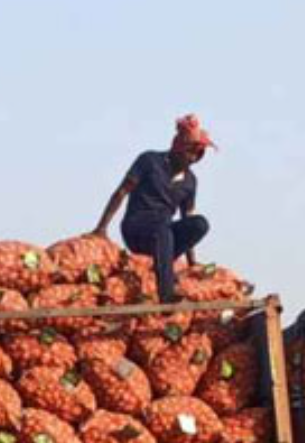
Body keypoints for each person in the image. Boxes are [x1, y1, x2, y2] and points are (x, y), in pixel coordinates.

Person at [93, 114, 217, 304]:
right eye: (191, 152)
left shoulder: (190, 182)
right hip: (136, 230)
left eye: (198, 154)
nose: (194, 158)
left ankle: (163, 264)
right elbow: (121, 192)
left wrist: (192, 262)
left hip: (163, 237)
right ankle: (166, 295)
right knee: (161, 227)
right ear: (178, 149)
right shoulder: (149, 161)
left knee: (199, 224)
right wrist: (101, 228)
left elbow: (187, 217)